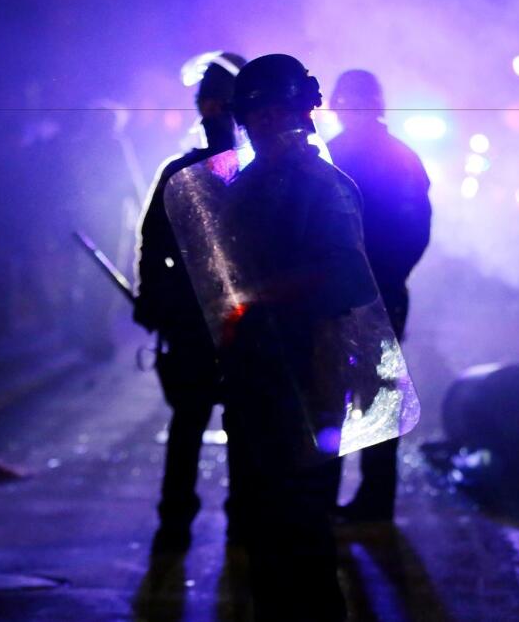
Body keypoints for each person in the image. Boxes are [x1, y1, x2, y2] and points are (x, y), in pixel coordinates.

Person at [216, 53, 374, 621]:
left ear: (302, 112)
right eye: (254, 115)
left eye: (275, 112)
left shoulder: (325, 187)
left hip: (312, 371)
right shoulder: (248, 185)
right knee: (264, 531)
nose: (264, 124)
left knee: (305, 533)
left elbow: (346, 274)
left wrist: (268, 294)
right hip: (256, 373)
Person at [133, 51, 247, 554]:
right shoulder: (189, 173)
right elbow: (153, 246)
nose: (215, 113)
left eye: (222, 103)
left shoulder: (258, 172)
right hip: (199, 324)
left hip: (242, 325)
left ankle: (206, 520)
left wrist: (154, 299)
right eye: (209, 103)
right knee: (197, 426)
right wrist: (154, 299)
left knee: (229, 427)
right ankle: (185, 520)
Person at [326, 69, 431, 522]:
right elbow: (417, 231)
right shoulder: (399, 156)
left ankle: (335, 497)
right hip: (375, 292)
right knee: (372, 396)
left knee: (337, 395)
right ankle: (371, 498)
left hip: (347, 293)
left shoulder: (332, 155)